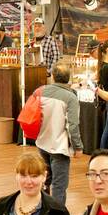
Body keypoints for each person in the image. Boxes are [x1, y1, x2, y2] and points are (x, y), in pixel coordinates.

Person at [36, 62, 81, 199]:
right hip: (59, 146)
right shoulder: (71, 97)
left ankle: (43, 210)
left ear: (53, 77)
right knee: (59, 185)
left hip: (42, 141)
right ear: (69, 78)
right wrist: (78, 147)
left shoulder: (40, 91)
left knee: (45, 180)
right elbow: (73, 125)